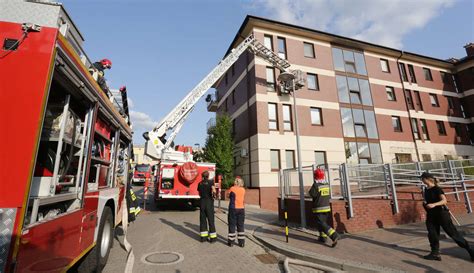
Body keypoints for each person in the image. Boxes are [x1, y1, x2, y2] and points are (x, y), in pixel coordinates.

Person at [421, 172, 474, 261]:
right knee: (432, 234)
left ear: (427, 179)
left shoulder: (437, 189)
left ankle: (470, 250)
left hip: (442, 214)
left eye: (422, 178)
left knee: (453, 234)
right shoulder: (426, 189)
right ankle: (435, 253)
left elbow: (444, 201)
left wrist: (434, 204)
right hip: (431, 215)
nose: (421, 180)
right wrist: (426, 204)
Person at [309, 168, 340, 247]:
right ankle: (323, 237)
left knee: (321, 223)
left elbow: (311, 194)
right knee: (322, 223)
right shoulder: (326, 184)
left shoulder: (316, 185)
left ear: (315, 176)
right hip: (327, 208)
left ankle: (334, 235)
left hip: (319, 208)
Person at [197, 171, 217, 243]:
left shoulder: (200, 183)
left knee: (203, 220)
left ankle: (203, 237)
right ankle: (213, 238)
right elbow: (214, 191)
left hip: (202, 202)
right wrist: (214, 195)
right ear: (208, 176)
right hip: (209, 202)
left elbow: (199, 193)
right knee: (211, 220)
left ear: (202, 176)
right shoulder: (211, 182)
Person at [227, 176, 246, 247]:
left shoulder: (232, 188)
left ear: (235, 182)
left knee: (232, 224)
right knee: (240, 225)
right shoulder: (243, 189)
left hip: (233, 209)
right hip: (241, 209)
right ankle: (241, 242)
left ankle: (231, 242)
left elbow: (228, 196)